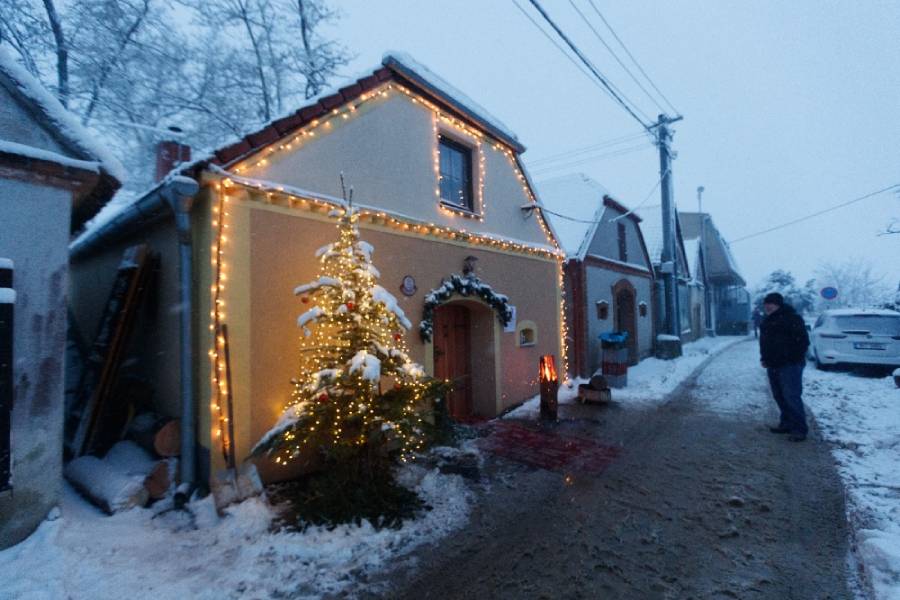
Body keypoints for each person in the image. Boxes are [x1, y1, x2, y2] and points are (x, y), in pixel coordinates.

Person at [759, 292, 810, 442]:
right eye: (766, 304)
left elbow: (803, 341)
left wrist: (791, 358)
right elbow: (765, 342)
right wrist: (765, 358)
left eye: (771, 304)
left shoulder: (792, 318)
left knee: (791, 396)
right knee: (779, 395)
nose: (768, 306)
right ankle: (787, 423)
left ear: (778, 304)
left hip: (790, 365)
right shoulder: (767, 320)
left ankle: (799, 429)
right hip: (773, 364)